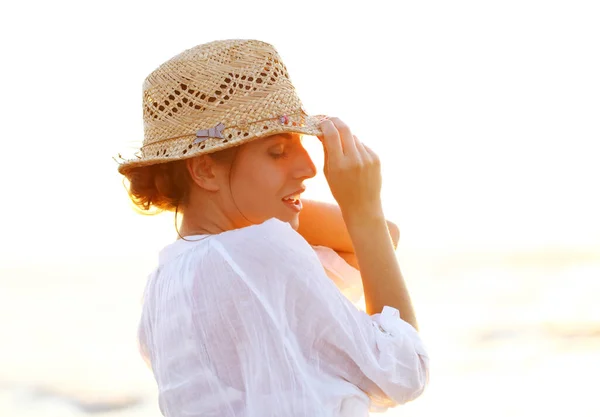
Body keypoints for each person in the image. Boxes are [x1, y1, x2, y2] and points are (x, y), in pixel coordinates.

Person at [116, 39, 429, 417]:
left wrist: (350, 217)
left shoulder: (163, 286)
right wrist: (363, 210)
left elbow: (380, 242)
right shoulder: (259, 252)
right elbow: (405, 371)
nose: (309, 169)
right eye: (278, 152)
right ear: (204, 170)